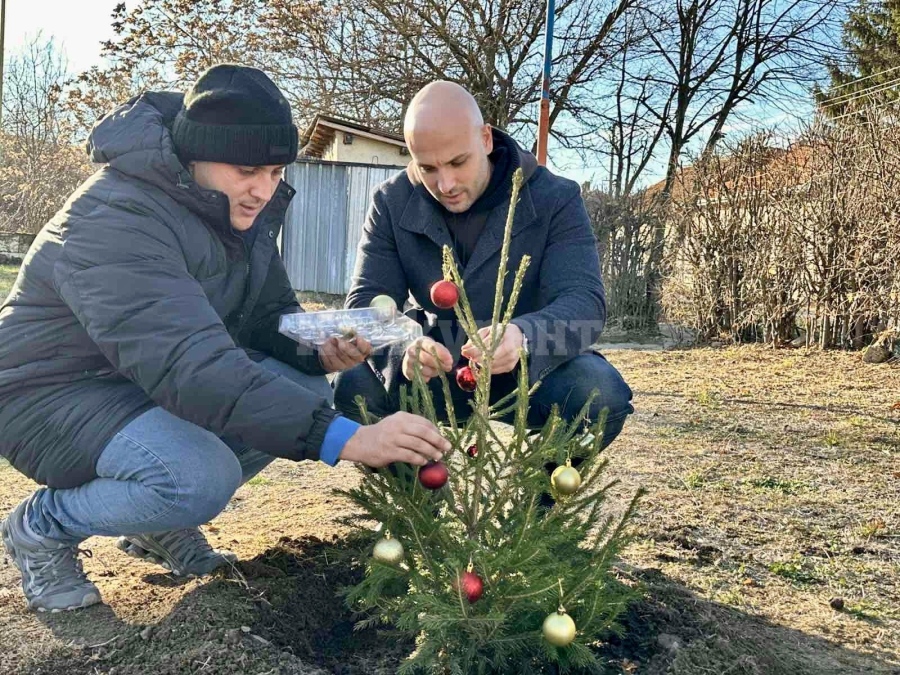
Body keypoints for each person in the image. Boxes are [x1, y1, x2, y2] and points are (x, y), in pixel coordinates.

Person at [0, 64, 449, 613]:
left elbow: (270, 315)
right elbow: (193, 367)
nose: (264, 190)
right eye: (248, 170)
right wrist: (350, 439)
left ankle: (159, 527)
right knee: (197, 476)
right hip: (46, 396)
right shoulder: (118, 216)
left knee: (306, 383)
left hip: (135, 384)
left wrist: (322, 342)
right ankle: (43, 525)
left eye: (277, 171)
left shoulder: (231, 211)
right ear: (196, 155)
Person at [334, 81, 633, 452]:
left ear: (487, 140)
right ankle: (421, 502)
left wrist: (523, 337)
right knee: (353, 387)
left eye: (459, 162)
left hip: (529, 363)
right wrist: (402, 344)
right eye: (427, 168)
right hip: (435, 361)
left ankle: (537, 507)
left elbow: (583, 299)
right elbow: (367, 300)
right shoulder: (391, 201)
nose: (446, 184)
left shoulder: (556, 198)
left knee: (600, 394)